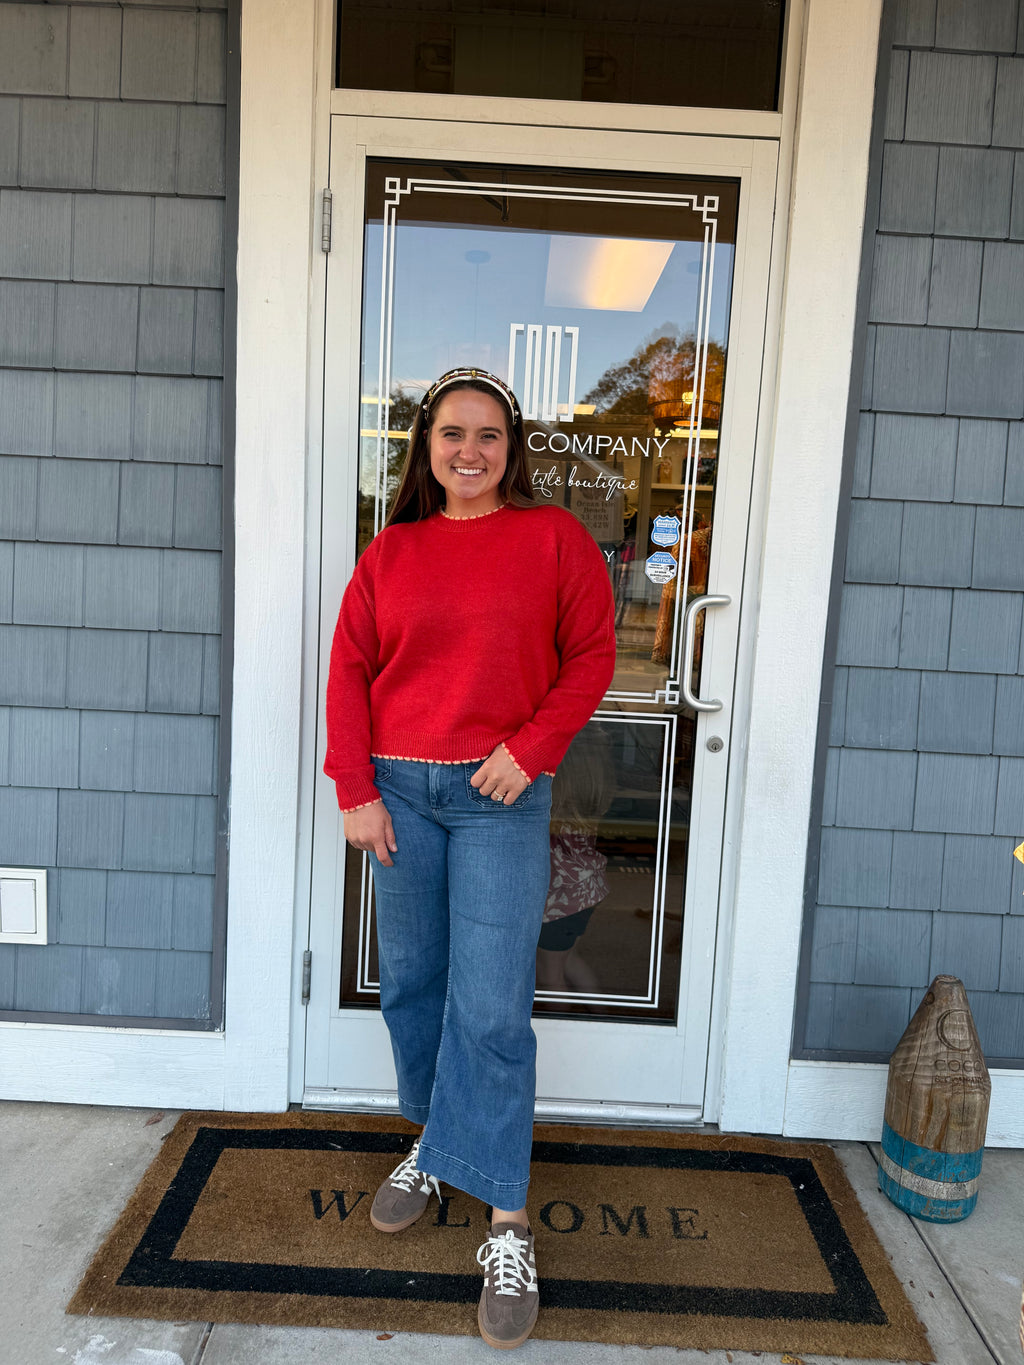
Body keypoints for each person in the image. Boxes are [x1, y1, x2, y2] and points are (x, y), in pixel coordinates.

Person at [324, 366, 616, 1349]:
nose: (470, 451)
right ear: (426, 448)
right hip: (399, 792)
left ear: (511, 447)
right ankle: (437, 1142)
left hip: (498, 799)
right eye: (452, 433)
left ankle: (505, 1218)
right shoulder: (392, 552)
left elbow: (592, 657)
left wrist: (529, 750)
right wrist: (355, 788)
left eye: (488, 435)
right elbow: (350, 671)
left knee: (490, 1006)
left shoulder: (552, 540)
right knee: (412, 982)